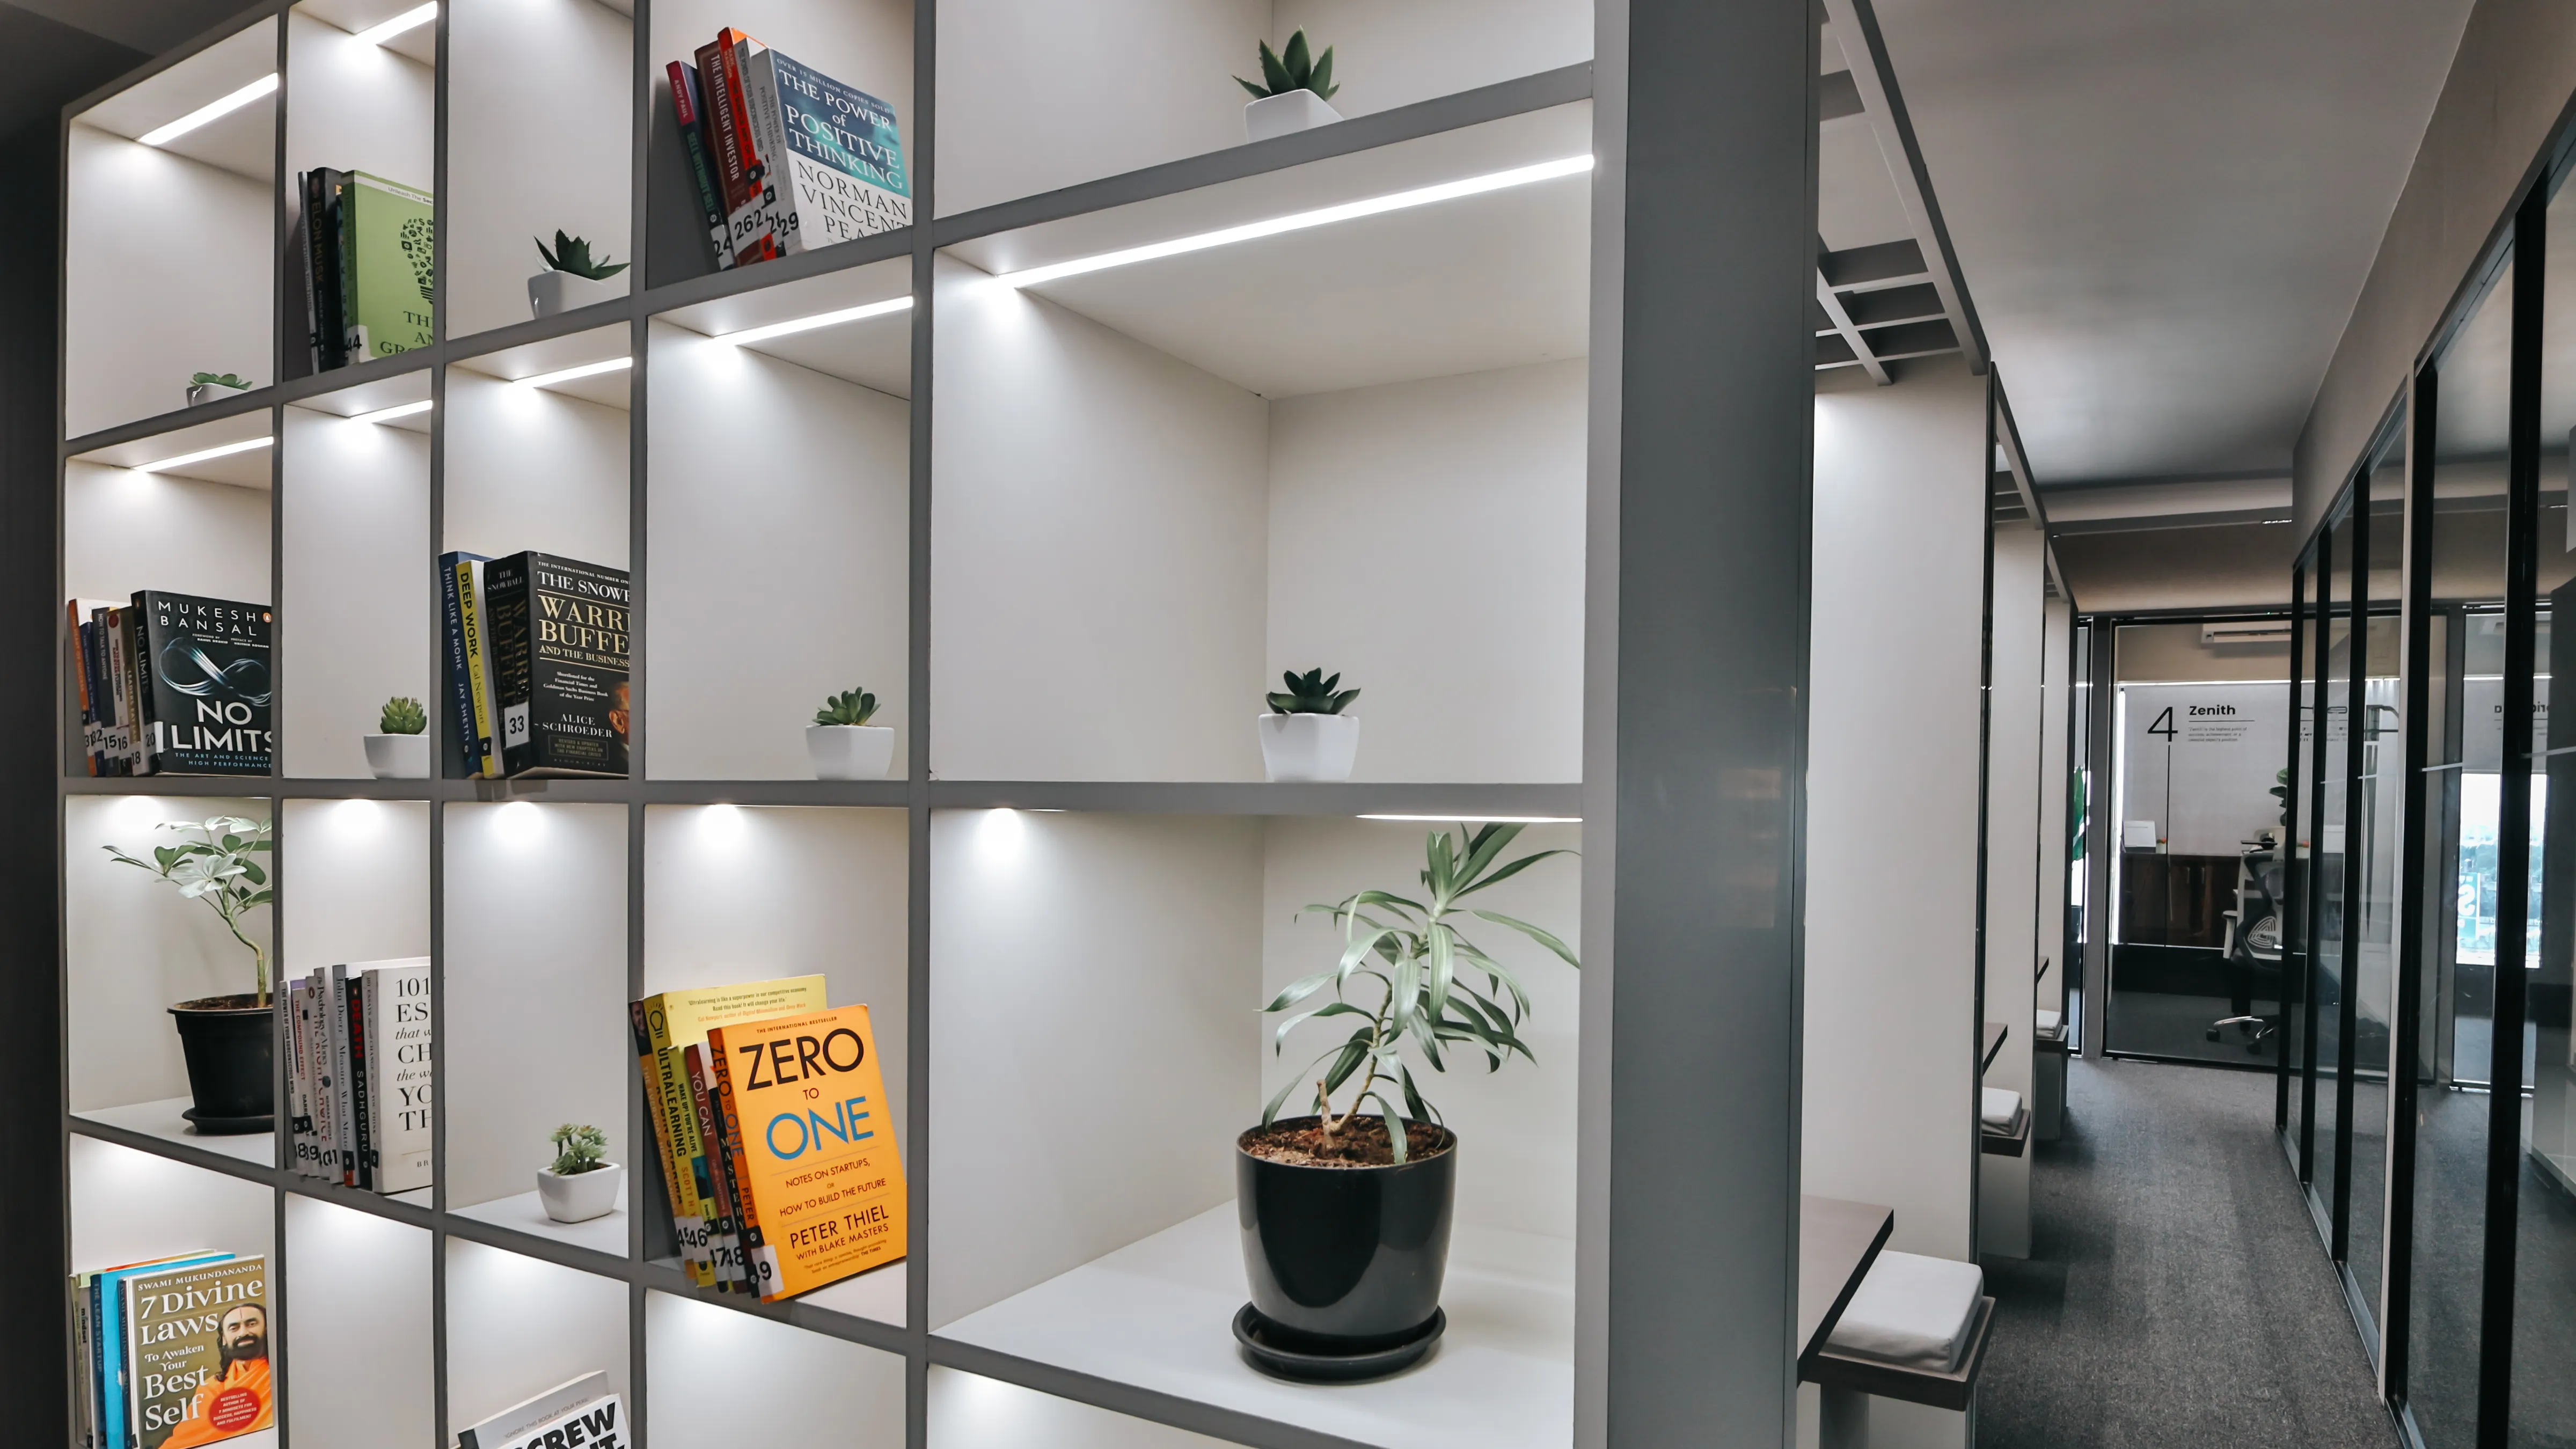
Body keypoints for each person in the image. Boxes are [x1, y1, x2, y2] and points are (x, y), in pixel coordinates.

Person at [157, 1302, 273, 1448]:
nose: (243, 1333)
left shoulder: (283, 1373)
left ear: (267, 1329)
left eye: (251, 1324)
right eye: (234, 1328)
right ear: (224, 1339)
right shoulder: (211, 1388)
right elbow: (183, 1442)